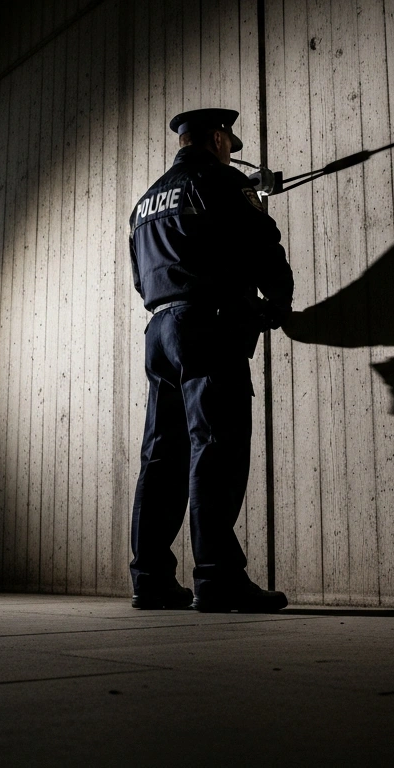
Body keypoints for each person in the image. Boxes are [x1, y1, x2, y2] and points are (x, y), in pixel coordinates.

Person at [127, 108, 293, 612]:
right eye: (230, 144)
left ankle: (150, 578)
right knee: (215, 449)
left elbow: (141, 276)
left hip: (160, 329)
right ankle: (217, 577)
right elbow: (263, 246)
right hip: (209, 327)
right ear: (218, 138)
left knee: (162, 455)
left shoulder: (145, 201)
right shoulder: (221, 180)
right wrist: (278, 305)